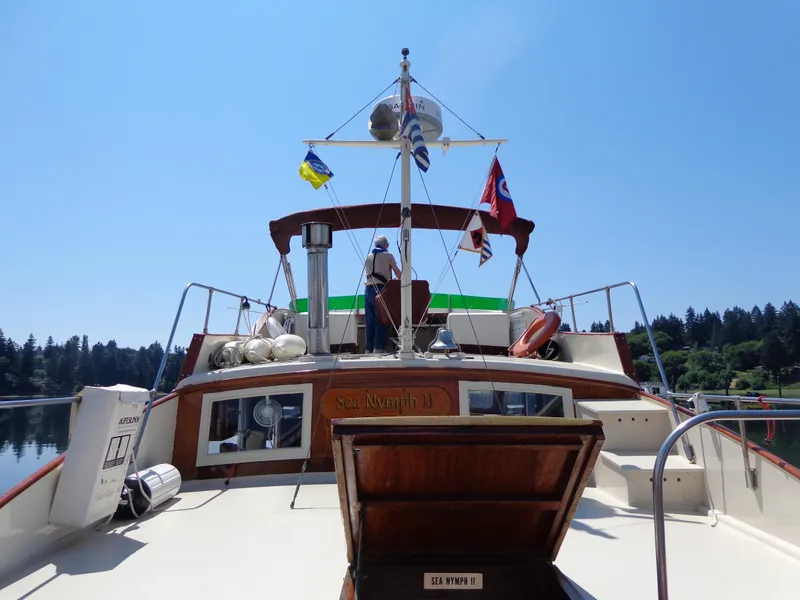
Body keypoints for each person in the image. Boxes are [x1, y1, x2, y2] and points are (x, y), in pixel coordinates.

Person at [364, 235, 401, 353]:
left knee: (370, 321)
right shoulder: (388, 255)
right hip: (381, 290)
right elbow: (398, 274)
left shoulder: (368, 257)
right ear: (385, 244)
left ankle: (369, 348)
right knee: (382, 319)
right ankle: (379, 348)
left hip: (368, 290)